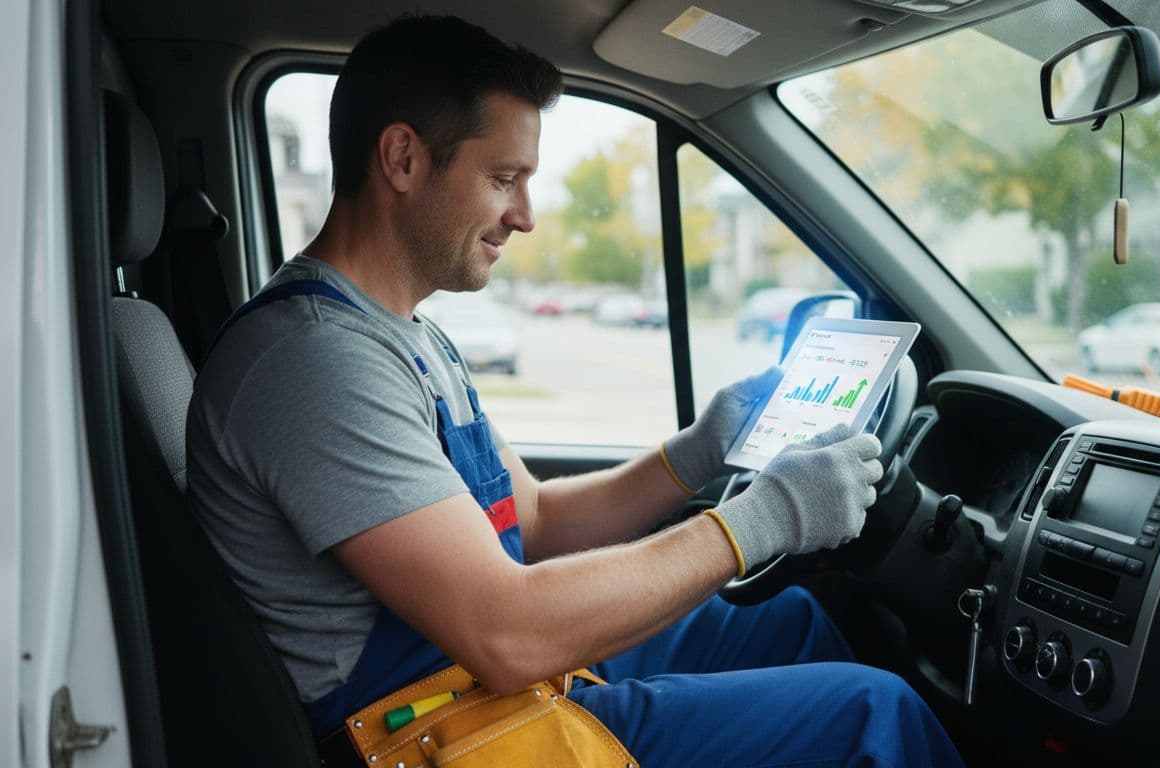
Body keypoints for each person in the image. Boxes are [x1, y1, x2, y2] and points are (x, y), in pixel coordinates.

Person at [187, 14, 963, 767]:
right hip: (443, 729)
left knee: (788, 622)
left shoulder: (407, 337)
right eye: (502, 179)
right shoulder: (316, 363)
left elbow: (536, 519)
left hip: (481, 685)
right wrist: (768, 515)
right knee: (874, 716)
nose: (523, 216)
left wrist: (698, 454)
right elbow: (507, 631)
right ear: (402, 159)